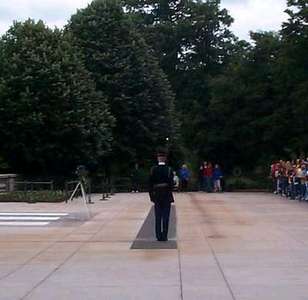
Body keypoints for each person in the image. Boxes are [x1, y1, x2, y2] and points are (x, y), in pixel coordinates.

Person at [149, 149, 174, 242]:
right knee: (166, 216)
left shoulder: (153, 169)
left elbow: (150, 184)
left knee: (158, 216)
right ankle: (165, 236)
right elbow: (171, 184)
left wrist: (152, 196)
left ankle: (158, 236)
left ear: (158, 159)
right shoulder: (169, 169)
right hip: (166, 195)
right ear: (165, 159)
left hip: (157, 195)